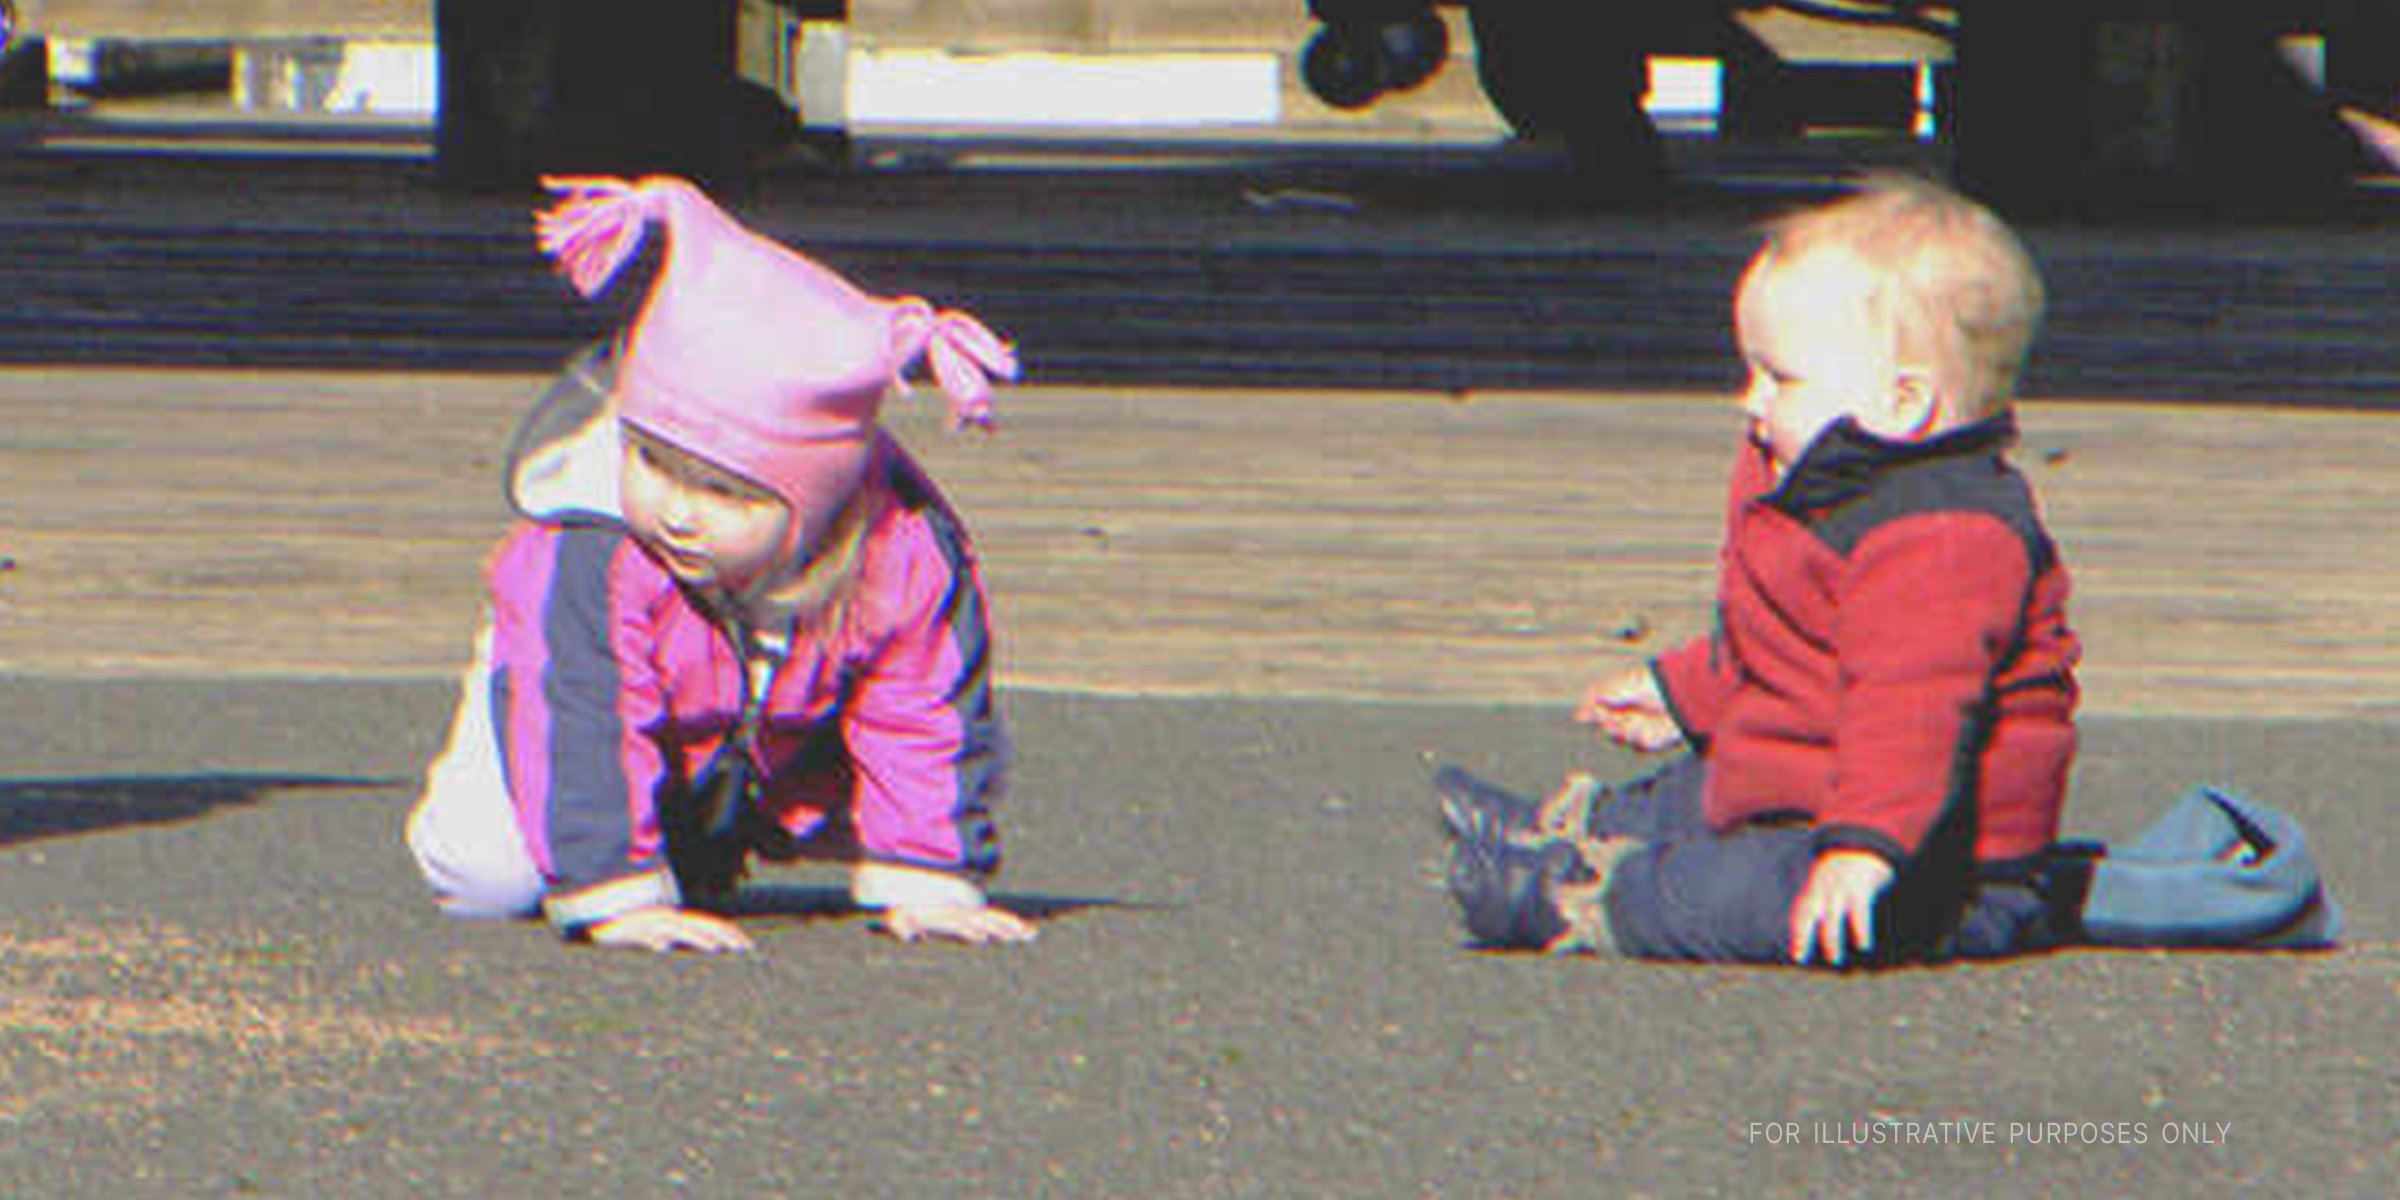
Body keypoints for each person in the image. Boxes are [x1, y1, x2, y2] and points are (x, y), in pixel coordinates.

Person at [1441, 175, 2082, 967]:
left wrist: (1864, 848)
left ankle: (1579, 895)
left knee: (1733, 891)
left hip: (1933, 864)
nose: (1750, 400)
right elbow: (1791, 643)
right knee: (1704, 787)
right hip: (1820, 782)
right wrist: (1686, 691)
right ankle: (1571, 830)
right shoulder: (1818, 483)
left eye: (1780, 378)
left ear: (1902, 401)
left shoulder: (1942, 535)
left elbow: (1912, 710)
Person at [405, 174, 1033, 954]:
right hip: (576, 709)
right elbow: (583, 708)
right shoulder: (590, 546)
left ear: (815, 500)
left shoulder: (900, 552)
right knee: (488, 876)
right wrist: (617, 898)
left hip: (771, 739)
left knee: (964, 743)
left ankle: (724, 837)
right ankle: (629, 842)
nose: (677, 509)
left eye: (725, 494)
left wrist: (928, 879)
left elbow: (919, 710)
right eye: (652, 462)